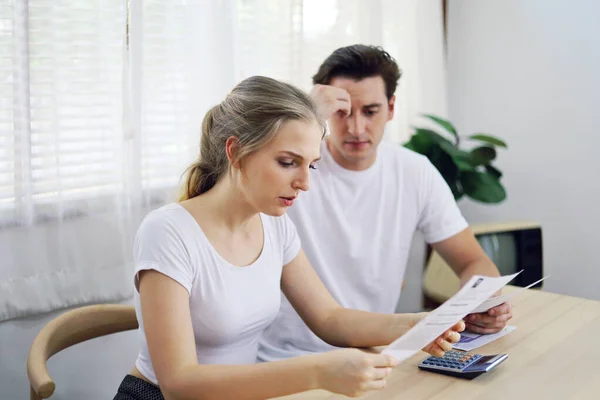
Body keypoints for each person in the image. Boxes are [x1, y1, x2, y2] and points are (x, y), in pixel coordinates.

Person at [113, 75, 464, 400]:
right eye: (287, 162)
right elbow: (179, 383)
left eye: (310, 165)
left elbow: (329, 319)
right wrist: (317, 371)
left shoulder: (275, 226)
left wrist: (416, 325)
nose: (304, 183)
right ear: (235, 152)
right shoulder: (168, 232)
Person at [258, 45, 512, 363]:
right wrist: (303, 114)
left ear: (391, 108)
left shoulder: (413, 171)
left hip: (373, 355)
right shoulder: (290, 168)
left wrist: (482, 301)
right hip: (287, 358)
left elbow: (472, 261)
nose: (356, 128)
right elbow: (231, 173)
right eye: (342, 111)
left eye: (370, 111)